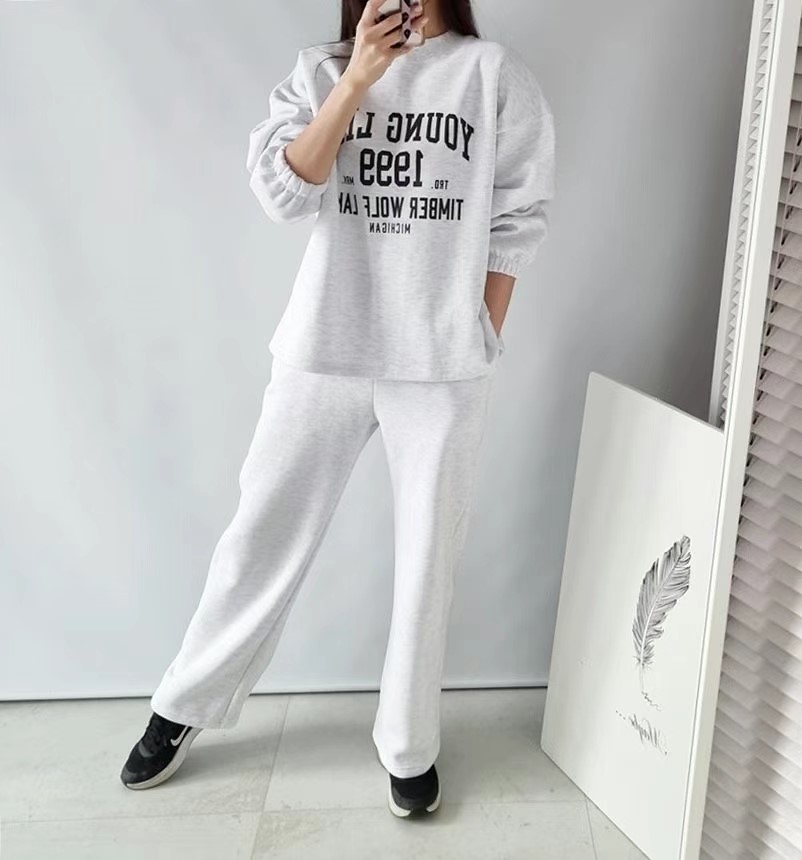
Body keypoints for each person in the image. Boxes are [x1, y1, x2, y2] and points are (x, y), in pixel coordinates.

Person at [120, 0, 555, 818]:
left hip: (442, 363)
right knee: (260, 532)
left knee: (427, 560)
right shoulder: (321, 70)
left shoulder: (492, 76)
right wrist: (357, 79)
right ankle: (185, 700)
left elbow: (518, 215)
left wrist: (482, 331)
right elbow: (283, 195)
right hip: (325, 346)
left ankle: (409, 744)